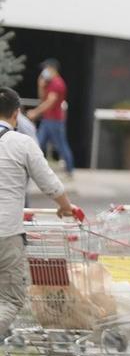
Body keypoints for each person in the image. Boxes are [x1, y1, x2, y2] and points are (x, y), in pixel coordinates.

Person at [0, 88, 77, 340]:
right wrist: (65, 207)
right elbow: (50, 184)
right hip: (6, 234)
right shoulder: (22, 143)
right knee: (10, 299)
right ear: (16, 113)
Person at [26, 59, 75, 178]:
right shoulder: (49, 83)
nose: (44, 71)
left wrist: (35, 112)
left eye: (45, 69)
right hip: (47, 119)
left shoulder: (57, 83)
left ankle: (69, 170)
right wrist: (40, 86)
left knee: (61, 145)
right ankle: (30, 169)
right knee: (38, 143)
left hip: (55, 120)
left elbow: (50, 102)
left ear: (52, 69)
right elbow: (42, 98)